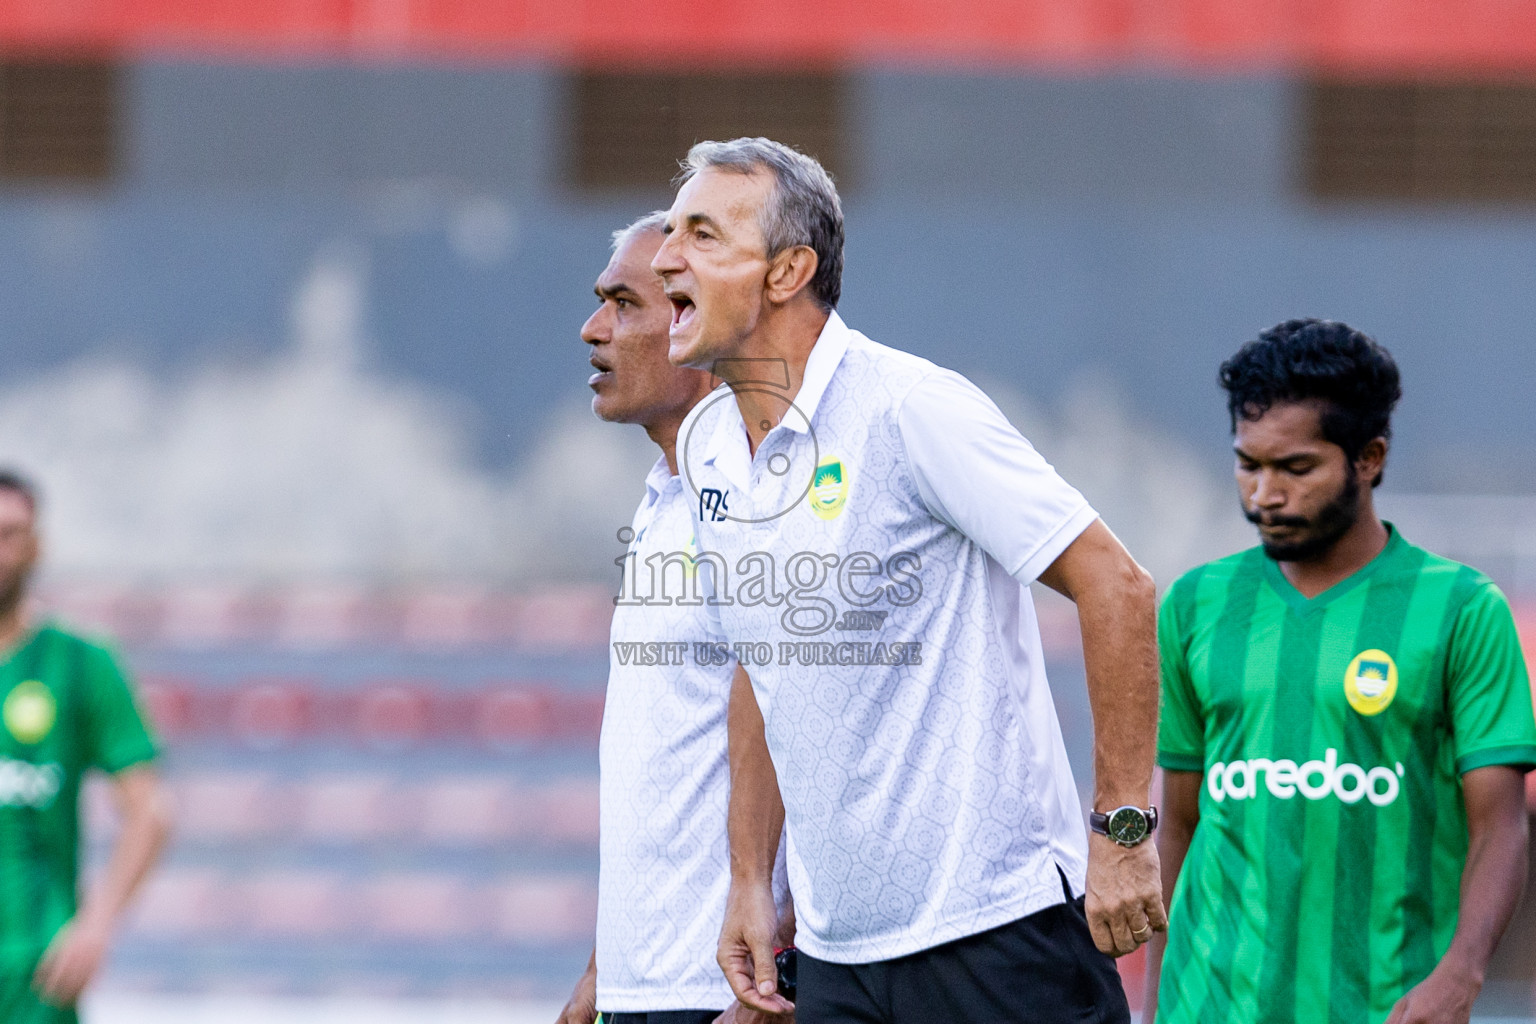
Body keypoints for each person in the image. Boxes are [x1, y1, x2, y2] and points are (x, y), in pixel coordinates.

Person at [656, 137, 1163, 1024]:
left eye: (701, 234)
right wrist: (748, 878)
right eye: (671, 231)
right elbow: (762, 664)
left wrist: (1123, 833)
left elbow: (1117, 586)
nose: (666, 258)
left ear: (787, 272)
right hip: (837, 955)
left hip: (1000, 931)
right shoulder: (706, 445)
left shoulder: (911, 408)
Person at [1145, 319, 1536, 1024]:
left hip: (1385, 1008)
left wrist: (1461, 974)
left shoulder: (1460, 609)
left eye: (1295, 469)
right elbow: (1179, 821)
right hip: (1209, 1007)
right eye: (1248, 465)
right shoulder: (1196, 604)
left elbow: (1501, 825)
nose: (1265, 494)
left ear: (1369, 457)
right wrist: (1154, 1008)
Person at [556, 213, 791, 1024]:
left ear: (694, 326)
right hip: (644, 988)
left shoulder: (767, 500)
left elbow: (816, 739)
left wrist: (776, 975)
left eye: (623, 304)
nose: (592, 331)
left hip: (718, 992)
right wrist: (600, 974)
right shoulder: (665, 500)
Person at [0, 471, 173, 1024]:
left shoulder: (81, 662)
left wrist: (96, 925)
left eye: (9, 533)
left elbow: (149, 813)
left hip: (36, 971)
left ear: (36, 545)